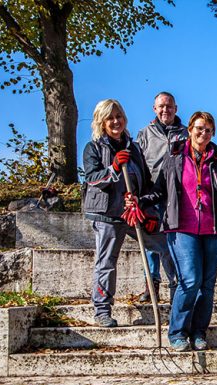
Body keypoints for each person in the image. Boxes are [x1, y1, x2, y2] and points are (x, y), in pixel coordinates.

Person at [127, 112, 217, 352]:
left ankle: (199, 331)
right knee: (190, 279)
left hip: (214, 230)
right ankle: (177, 331)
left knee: (207, 285)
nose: (203, 133)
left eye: (208, 130)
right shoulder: (175, 156)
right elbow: (159, 190)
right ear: (189, 130)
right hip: (181, 228)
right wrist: (140, 201)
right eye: (199, 128)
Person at [81, 99, 169, 328]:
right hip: (107, 215)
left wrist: (148, 211)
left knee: (165, 245)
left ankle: (179, 297)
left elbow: (146, 182)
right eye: (110, 118)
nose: (115, 121)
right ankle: (102, 310)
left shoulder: (133, 147)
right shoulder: (93, 148)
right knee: (107, 261)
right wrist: (114, 169)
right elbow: (93, 179)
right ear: (101, 121)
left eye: (118, 116)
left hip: (134, 211)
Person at [135, 91, 186, 303]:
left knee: (170, 240)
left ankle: (175, 282)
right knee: (150, 241)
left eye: (169, 106)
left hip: (176, 194)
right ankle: (151, 284)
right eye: (161, 106)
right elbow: (137, 163)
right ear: (155, 109)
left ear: (176, 108)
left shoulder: (186, 133)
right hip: (150, 193)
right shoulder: (144, 133)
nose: (165, 110)